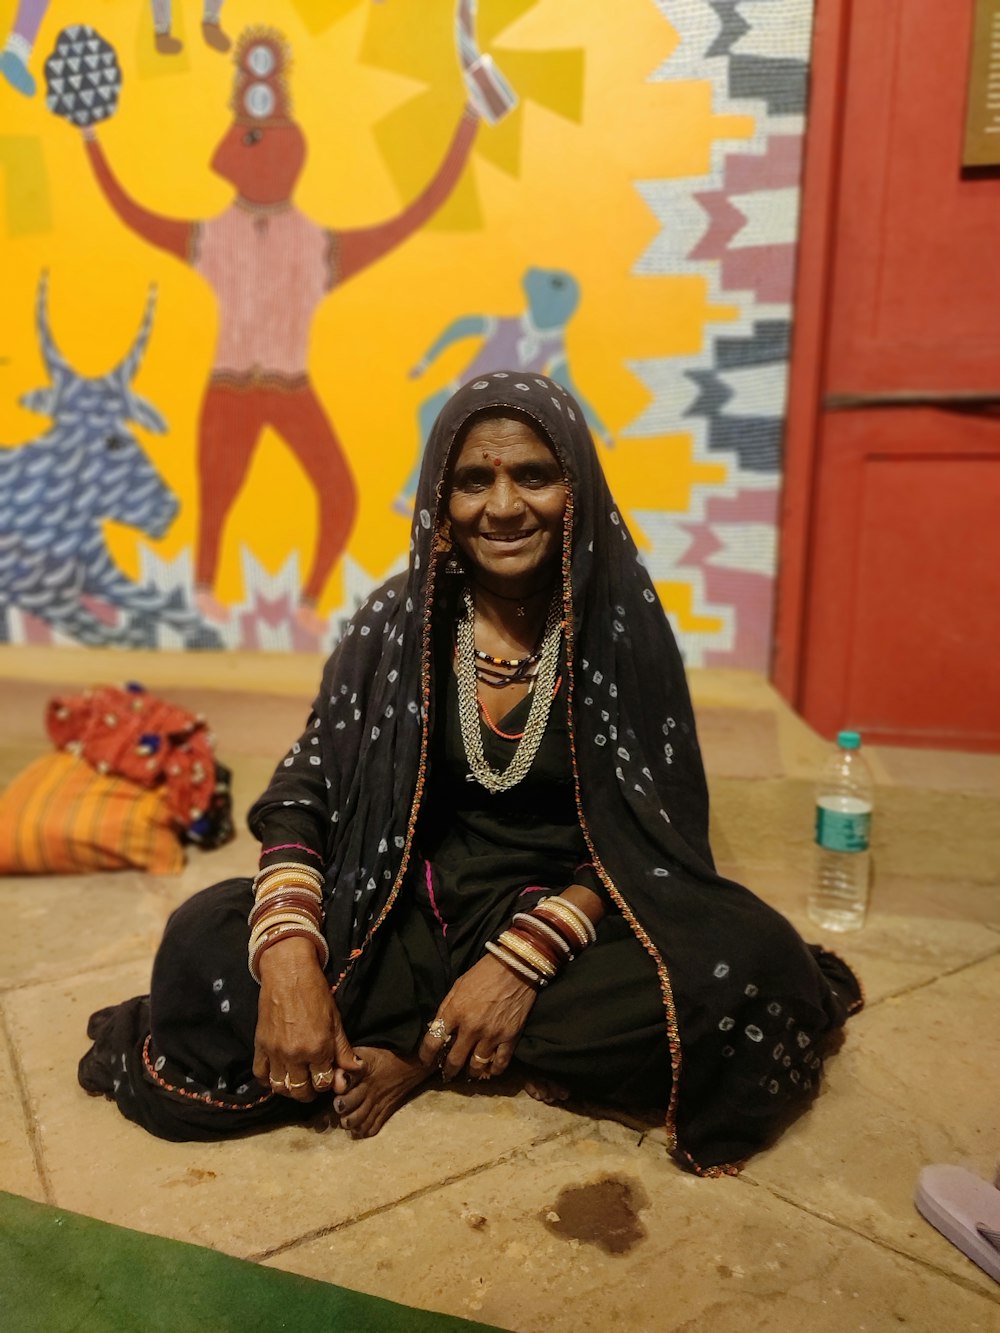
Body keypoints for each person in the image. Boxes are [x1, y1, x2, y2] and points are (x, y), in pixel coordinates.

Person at [79, 372, 862, 1176]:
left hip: (568, 914)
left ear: (577, 487)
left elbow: (652, 834)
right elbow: (305, 787)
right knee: (204, 945)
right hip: (405, 903)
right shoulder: (398, 620)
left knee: (750, 975)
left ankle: (420, 1053)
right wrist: (287, 956)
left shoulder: (616, 623)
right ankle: (461, 1040)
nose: (503, 506)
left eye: (534, 475)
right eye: (473, 480)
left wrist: (522, 961)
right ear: (439, 501)